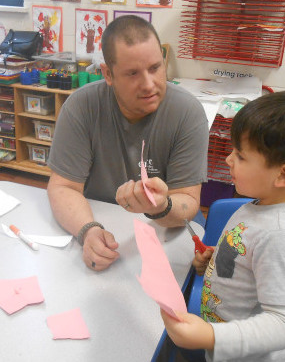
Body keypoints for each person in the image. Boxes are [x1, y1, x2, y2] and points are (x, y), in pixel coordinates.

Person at [161, 91, 285, 362]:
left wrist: (211, 337)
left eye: (241, 156)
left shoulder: (282, 235)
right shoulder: (261, 205)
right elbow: (249, 256)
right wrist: (217, 259)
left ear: (284, 174)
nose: (228, 160)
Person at [47, 16, 209, 271]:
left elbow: (188, 201)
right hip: (101, 221)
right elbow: (62, 187)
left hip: (164, 228)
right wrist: (88, 230)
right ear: (108, 74)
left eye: (155, 68)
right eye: (133, 73)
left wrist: (160, 205)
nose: (149, 85)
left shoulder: (188, 112)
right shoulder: (81, 107)